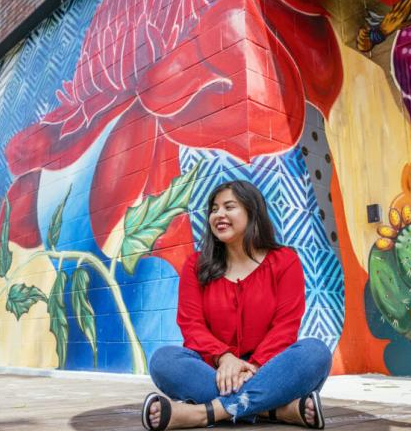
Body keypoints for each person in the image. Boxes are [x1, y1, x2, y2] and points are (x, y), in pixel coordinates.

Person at [141, 180, 332, 430]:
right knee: (164, 360)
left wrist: (252, 367)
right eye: (214, 209)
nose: (218, 214)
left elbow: (285, 327)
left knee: (315, 353)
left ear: (252, 212)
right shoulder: (196, 265)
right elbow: (191, 325)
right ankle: (275, 410)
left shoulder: (285, 261)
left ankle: (204, 413)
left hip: (269, 368)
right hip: (215, 371)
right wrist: (225, 358)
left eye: (229, 207)